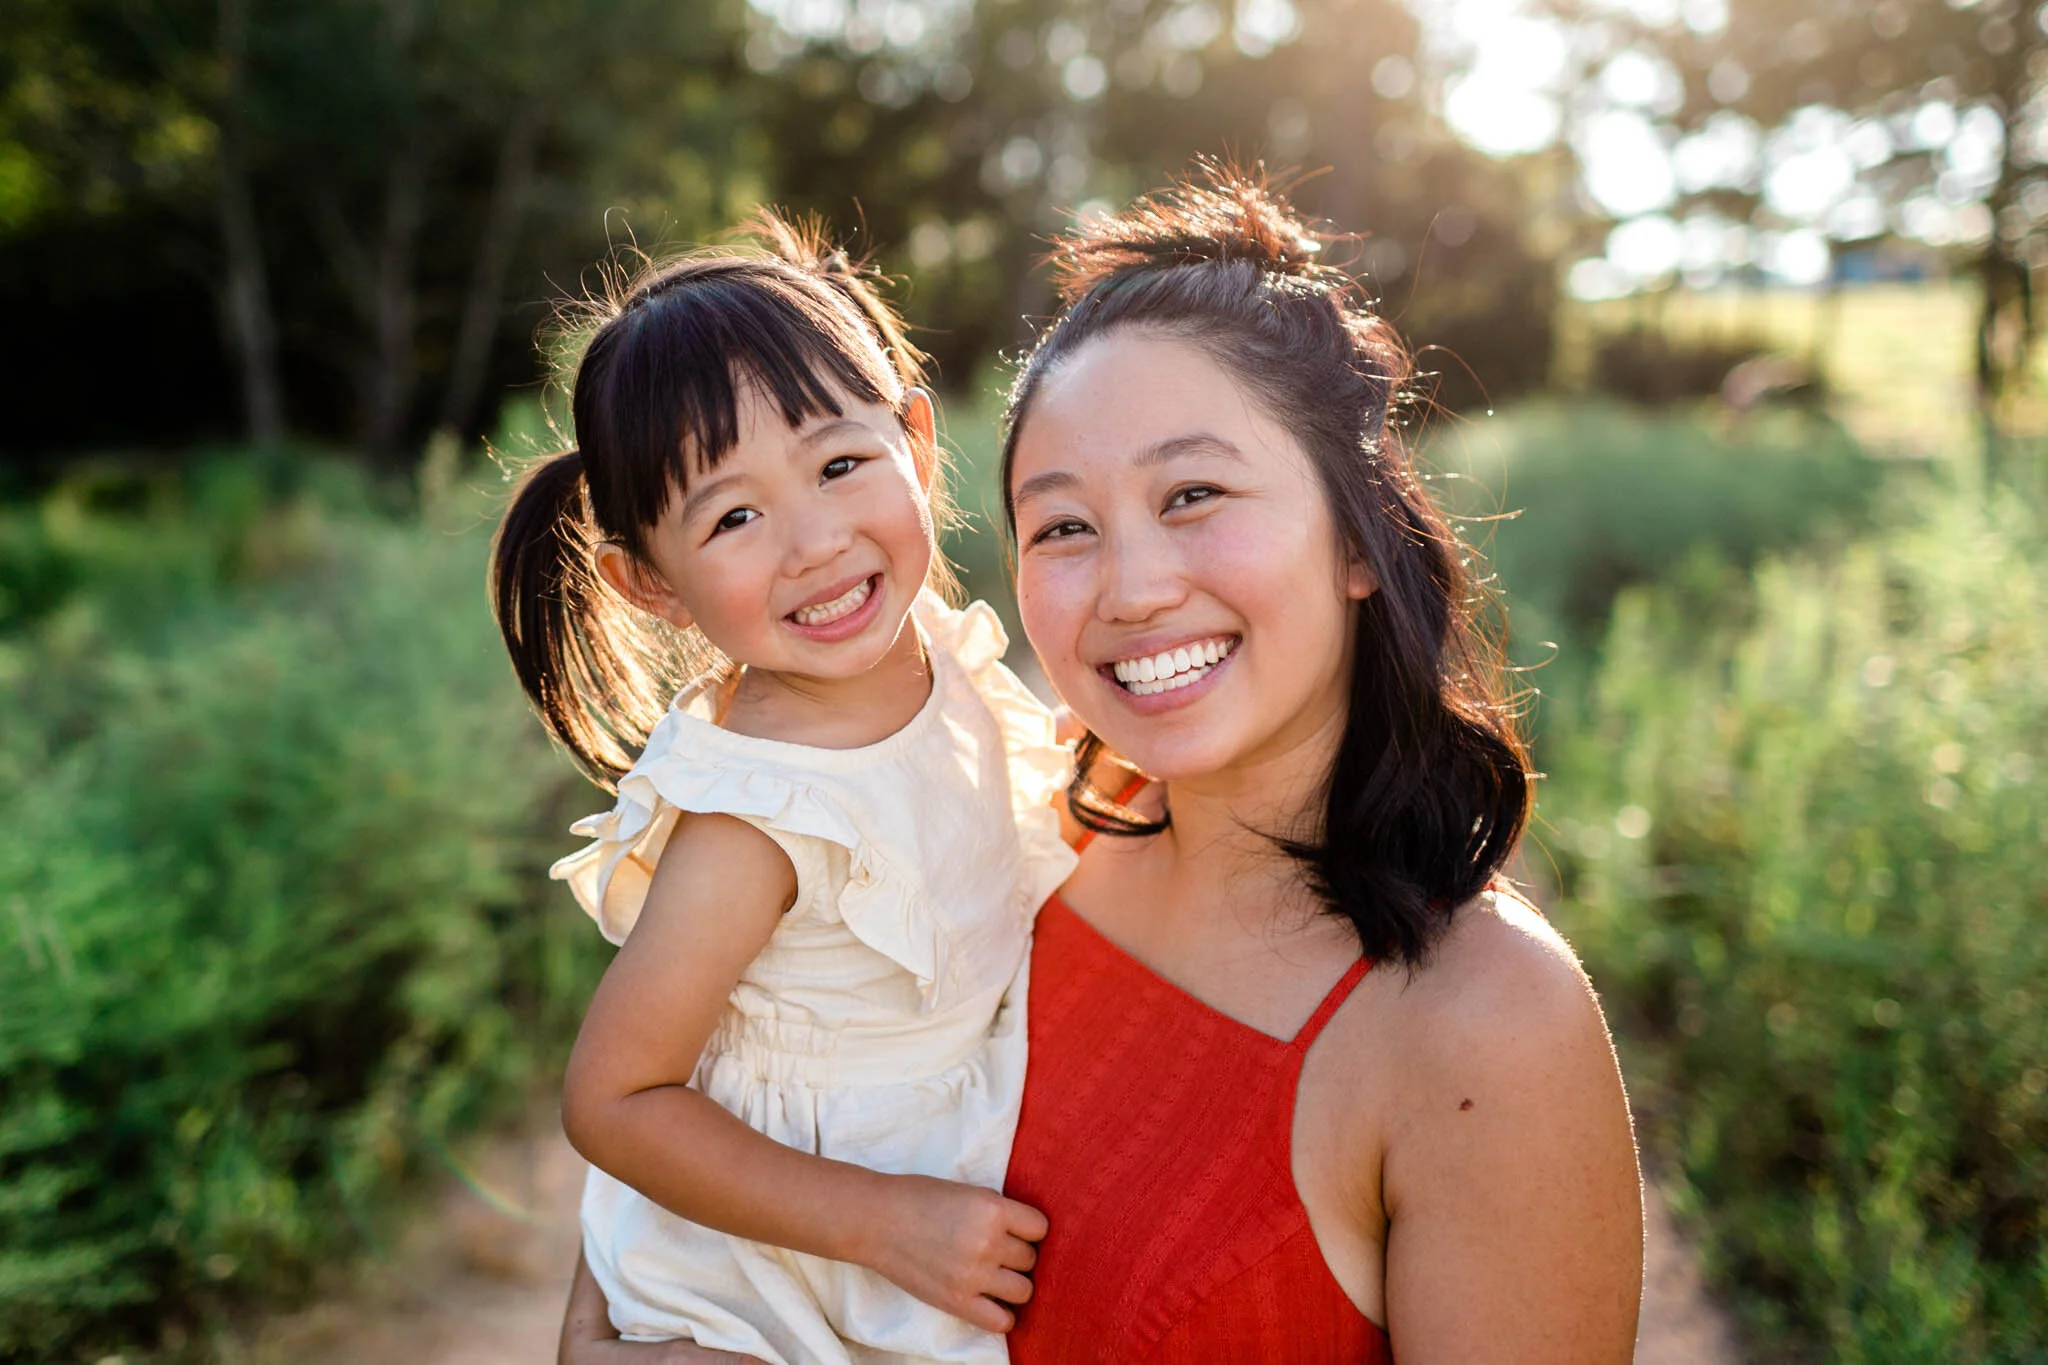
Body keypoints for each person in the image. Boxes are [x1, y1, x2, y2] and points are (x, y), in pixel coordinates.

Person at [560, 167, 1644, 1363]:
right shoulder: (1043, 824)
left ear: (1356, 533)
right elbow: (698, 1113)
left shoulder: (1486, 1029)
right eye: (1064, 525)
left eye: (1193, 494)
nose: (1131, 589)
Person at [492, 214, 1076, 1365]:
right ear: (649, 582)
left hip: (934, 1193)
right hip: (781, 1276)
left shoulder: (950, 664)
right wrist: (883, 1223)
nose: (812, 541)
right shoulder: (754, 815)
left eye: (838, 464)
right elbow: (615, 1099)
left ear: (914, 439)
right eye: (735, 517)